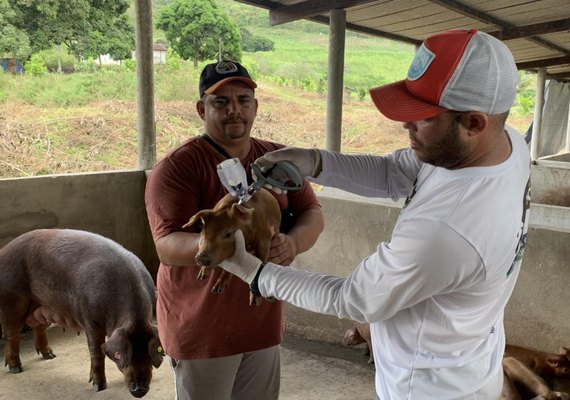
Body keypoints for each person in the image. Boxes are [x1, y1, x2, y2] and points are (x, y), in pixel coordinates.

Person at [218, 29, 532, 399]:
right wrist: (316, 161)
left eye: (423, 117)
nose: (405, 125)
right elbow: (397, 171)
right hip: (469, 357)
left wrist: (256, 273)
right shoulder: (504, 143)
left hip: (430, 388)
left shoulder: (446, 232)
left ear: (474, 123)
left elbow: (352, 298)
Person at [144, 60, 324, 400]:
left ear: (255, 107)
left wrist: (293, 243)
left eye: (243, 100)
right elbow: (166, 244)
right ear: (201, 109)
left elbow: (312, 212)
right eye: (220, 102)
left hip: (261, 325)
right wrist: (230, 250)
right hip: (202, 331)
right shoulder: (178, 167)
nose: (234, 111)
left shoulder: (274, 158)